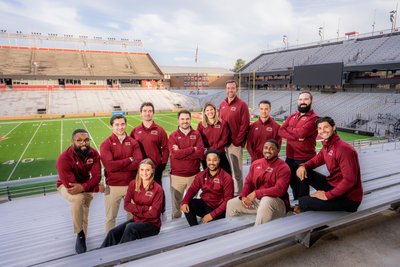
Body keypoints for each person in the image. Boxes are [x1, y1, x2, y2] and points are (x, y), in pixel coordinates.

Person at [296, 117, 363, 212]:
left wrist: (326, 195)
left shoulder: (344, 149)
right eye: (319, 128)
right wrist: (303, 166)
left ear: (334, 127)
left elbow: (350, 180)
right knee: (302, 171)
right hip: (333, 184)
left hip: (348, 198)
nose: (322, 130)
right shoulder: (327, 146)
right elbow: (315, 161)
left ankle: (303, 203)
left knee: (305, 202)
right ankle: (302, 203)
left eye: (326, 127)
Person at [56, 129, 104, 254]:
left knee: (85, 212)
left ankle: (83, 237)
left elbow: (97, 176)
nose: (84, 143)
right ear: (72, 141)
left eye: (86, 140)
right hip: (66, 186)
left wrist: (85, 187)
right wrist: (96, 188)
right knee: (78, 198)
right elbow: (72, 188)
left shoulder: (93, 153)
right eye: (79, 140)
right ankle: (80, 233)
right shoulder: (64, 159)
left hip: (85, 185)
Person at [225, 140, 290, 225]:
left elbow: (280, 190)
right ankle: (231, 234)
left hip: (277, 204)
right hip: (258, 202)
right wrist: (243, 197)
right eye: (266, 148)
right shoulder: (256, 163)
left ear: (277, 151)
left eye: (271, 148)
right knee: (231, 203)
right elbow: (249, 182)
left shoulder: (283, 167)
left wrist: (256, 193)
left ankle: (258, 235)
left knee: (266, 200)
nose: (268, 150)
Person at [101, 159, 163, 247]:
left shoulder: (157, 189)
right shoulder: (133, 184)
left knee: (130, 228)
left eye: (147, 170)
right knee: (112, 233)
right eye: (142, 170)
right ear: (138, 170)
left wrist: (135, 208)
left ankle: (120, 256)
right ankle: (102, 254)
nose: (144, 173)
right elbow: (126, 205)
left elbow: (154, 214)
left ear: (152, 170)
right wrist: (145, 209)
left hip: (152, 225)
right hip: (137, 220)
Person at [100, 114, 144, 233]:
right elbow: (109, 166)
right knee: (110, 217)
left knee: (133, 216)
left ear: (126, 124)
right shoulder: (106, 144)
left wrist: (118, 165)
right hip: (113, 186)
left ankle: (131, 237)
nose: (120, 127)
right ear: (111, 126)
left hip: (132, 185)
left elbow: (139, 163)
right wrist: (129, 160)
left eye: (123, 124)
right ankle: (109, 242)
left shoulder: (134, 142)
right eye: (117, 125)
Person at [278, 90, 318, 200]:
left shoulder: (314, 118)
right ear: (297, 101)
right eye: (301, 99)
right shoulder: (292, 116)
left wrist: (290, 131)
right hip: (290, 157)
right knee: (292, 183)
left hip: (304, 159)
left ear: (311, 101)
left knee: (303, 186)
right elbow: (281, 131)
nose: (303, 102)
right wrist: (297, 136)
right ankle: (297, 204)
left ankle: (303, 210)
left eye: (306, 99)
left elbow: (302, 133)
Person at [130, 102, 169, 213]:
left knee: (158, 189)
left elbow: (166, 148)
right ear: (141, 113)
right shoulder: (135, 130)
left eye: (150, 111)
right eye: (145, 111)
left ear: (153, 113)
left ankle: (161, 210)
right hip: (141, 169)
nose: (147, 113)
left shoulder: (160, 130)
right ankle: (145, 210)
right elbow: (131, 148)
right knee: (142, 190)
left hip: (156, 166)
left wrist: (163, 164)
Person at [180, 149, 234, 226]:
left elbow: (228, 201)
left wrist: (211, 215)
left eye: (214, 160)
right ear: (206, 160)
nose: (211, 163)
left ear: (219, 160)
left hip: (219, 209)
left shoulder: (226, 177)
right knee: (188, 204)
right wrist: (184, 201)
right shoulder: (201, 175)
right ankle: (194, 229)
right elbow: (192, 189)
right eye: (209, 160)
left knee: (212, 229)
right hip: (205, 204)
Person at [168, 110, 205, 219]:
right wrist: (192, 149)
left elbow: (200, 153)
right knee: (176, 205)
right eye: (182, 119)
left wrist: (181, 152)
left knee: (192, 203)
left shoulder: (196, 134)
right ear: (178, 120)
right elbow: (175, 155)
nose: (185, 121)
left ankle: (192, 225)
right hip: (177, 176)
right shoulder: (173, 136)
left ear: (190, 119)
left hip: (193, 175)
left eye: (187, 119)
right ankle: (176, 223)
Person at [219, 80, 250, 195]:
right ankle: (228, 192)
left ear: (236, 89)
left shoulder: (242, 105)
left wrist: (237, 141)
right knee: (226, 170)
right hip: (223, 143)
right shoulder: (222, 104)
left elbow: (245, 124)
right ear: (225, 89)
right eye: (228, 88)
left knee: (237, 171)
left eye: (232, 88)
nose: (230, 90)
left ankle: (240, 193)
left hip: (234, 144)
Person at [197, 102, 231, 174]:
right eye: (207, 110)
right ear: (204, 113)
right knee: (210, 178)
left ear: (215, 110)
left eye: (211, 109)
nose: (210, 112)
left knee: (227, 175)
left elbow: (224, 140)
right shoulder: (201, 125)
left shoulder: (223, 123)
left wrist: (212, 149)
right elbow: (199, 140)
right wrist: (207, 150)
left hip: (220, 153)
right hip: (206, 155)